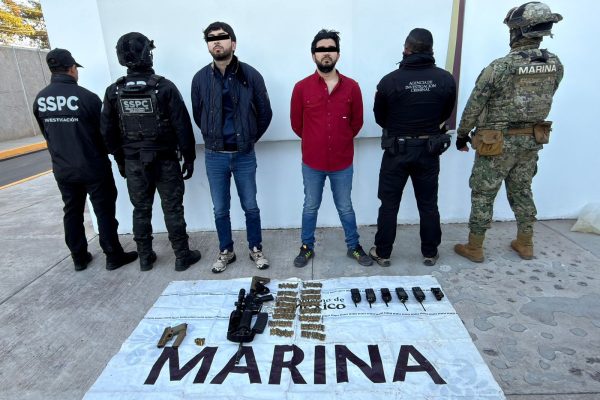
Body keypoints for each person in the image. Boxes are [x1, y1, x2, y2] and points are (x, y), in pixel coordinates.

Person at [454, 2, 563, 262]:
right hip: (531, 140)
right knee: (522, 190)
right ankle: (525, 243)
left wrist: (462, 133)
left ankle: (475, 247)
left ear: (518, 31)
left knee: (483, 193)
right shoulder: (555, 64)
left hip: (496, 142)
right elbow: (549, 93)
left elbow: (475, 104)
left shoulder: (500, 67)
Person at [101, 32, 201, 272]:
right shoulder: (164, 87)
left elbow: (107, 131)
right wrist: (189, 157)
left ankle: (145, 258)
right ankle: (181, 256)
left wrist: (120, 158)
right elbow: (182, 126)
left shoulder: (114, 91)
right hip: (165, 161)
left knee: (140, 210)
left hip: (134, 162)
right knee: (173, 209)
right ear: (146, 54)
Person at [33, 48, 138, 271]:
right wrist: (116, 155)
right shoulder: (87, 98)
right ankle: (113, 256)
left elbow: (46, 134)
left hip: (63, 168)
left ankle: (79, 257)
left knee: (72, 212)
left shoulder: (40, 99)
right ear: (72, 69)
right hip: (93, 165)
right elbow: (104, 133)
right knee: (103, 211)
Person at [370, 28, 456, 267]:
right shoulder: (445, 79)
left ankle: (383, 253)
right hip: (429, 149)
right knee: (428, 204)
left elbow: (380, 117)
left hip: (396, 150)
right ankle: (430, 252)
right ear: (431, 49)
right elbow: (445, 113)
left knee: (389, 204)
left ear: (406, 49)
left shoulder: (389, 81)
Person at [191, 22, 272, 273]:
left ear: (233, 43)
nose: (216, 41)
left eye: (222, 37)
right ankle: (226, 250)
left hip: (244, 154)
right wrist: (213, 137)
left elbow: (265, 113)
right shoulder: (200, 79)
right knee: (220, 209)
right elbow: (198, 114)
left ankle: (255, 248)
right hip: (215, 156)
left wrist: (249, 139)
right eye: (211, 38)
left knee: (250, 205)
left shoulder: (251, 75)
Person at [290, 29, 372, 268]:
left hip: (342, 162)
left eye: (331, 49)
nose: (326, 54)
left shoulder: (352, 87)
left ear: (338, 54)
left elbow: (357, 122)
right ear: (313, 55)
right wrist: (314, 141)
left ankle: (353, 246)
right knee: (310, 206)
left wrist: (340, 140)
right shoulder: (301, 88)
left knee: (345, 207)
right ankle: (307, 247)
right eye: (321, 50)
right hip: (312, 162)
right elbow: (297, 124)